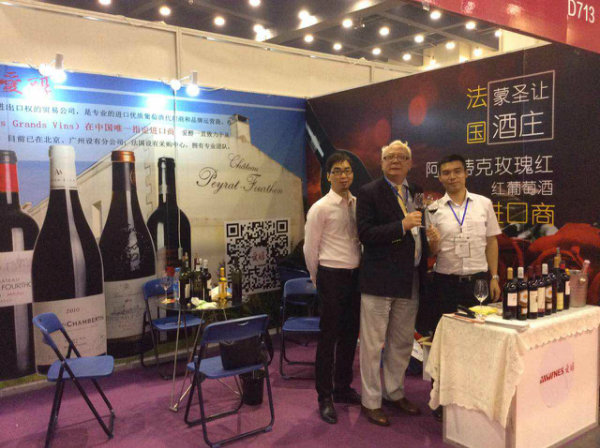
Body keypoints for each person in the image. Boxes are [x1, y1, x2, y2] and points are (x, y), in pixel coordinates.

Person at [356, 140, 433, 427]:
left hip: (410, 278)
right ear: (382, 162)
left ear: (410, 163)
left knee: (401, 342)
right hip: (379, 279)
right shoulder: (369, 192)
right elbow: (365, 234)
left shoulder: (416, 191)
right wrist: (402, 225)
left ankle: (394, 392)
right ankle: (371, 401)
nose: (396, 161)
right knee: (372, 344)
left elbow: (419, 230)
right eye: (390, 157)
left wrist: (428, 240)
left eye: (402, 157)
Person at [426, 153, 501, 421]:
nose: (452, 177)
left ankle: (476, 396)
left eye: (457, 171)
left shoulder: (483, 204)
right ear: (440, 177)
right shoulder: (433, 210)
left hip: (478, 281)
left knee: (480, 340)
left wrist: (494, 277)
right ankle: (441, 398)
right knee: (445, 342)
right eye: (446, 173)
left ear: (466, 173)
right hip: (445, 282)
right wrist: (433, 242)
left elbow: (492, 242)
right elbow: (431, 253)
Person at [303, 152, 362, 424]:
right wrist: (318, 279)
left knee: (350, 336)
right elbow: (310, 248)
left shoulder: (357, 204)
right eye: (337, 171)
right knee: (328, 338)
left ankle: (343, 387)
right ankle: (324, 396)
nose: (343, 175)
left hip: (355, 276)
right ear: (328, 176)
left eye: (347, 170)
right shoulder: (320, 208)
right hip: (331, 276)